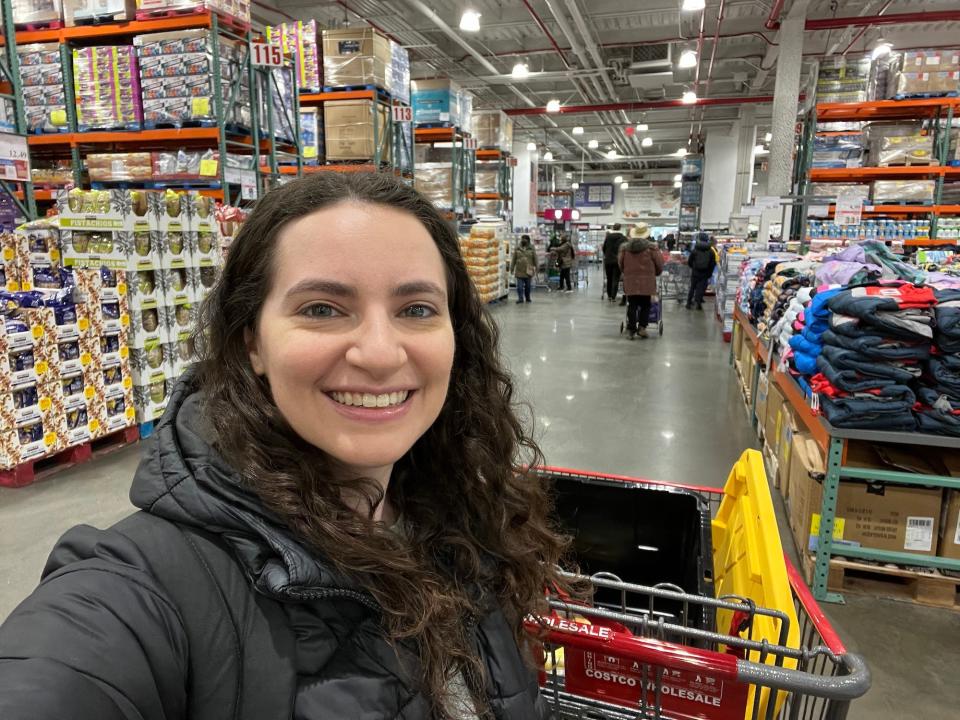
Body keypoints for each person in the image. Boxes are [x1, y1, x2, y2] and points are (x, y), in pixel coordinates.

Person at [0, 173, 571, 720]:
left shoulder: (460, 509)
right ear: (252, 342)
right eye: (322, 309)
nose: (379, 352)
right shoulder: (145, 588)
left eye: (416, 309)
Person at [619, 222, 663, 339]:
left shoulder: (625, 248)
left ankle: (631, 330)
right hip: (647, 281)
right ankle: (642, 328)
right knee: (645, 305)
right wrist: (656, 273)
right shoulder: (652, 248)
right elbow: (659, 264)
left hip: (630, 281)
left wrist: (627, 273)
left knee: (632, 304)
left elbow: (621, 264)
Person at [686, 230, 717, 310]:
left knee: (692, 287)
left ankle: (688, 303)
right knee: (701, 288)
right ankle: (698, 303)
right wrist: (709, 273)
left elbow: (689, 261)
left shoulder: (695, 250)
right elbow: (712, 264)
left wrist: (693, 267)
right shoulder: (711, 251)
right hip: (705, 273)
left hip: (695, 272)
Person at [601, 223, 627, 302]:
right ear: (620, 228)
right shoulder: (623, 238)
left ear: (613, 228)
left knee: (609, 278)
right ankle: (613, 297)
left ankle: (609, 295)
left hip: (608, 261)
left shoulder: (608, 237)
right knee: (615, 279)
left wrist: (607, 255)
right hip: (618, 261)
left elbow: (604, 248)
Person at [510, 233, 537, 303]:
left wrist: (537, 267)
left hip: (528, 270)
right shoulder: (517, 248)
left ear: (528, 240)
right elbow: (514, 259)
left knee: (528, 287)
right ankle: (520, 298)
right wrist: (512, 268)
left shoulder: (532, 248)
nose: (523, 240)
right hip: (519, 270)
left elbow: (535, 258)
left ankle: (527, 297)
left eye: (524, 239)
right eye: (522, 239)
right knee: (519, 287)